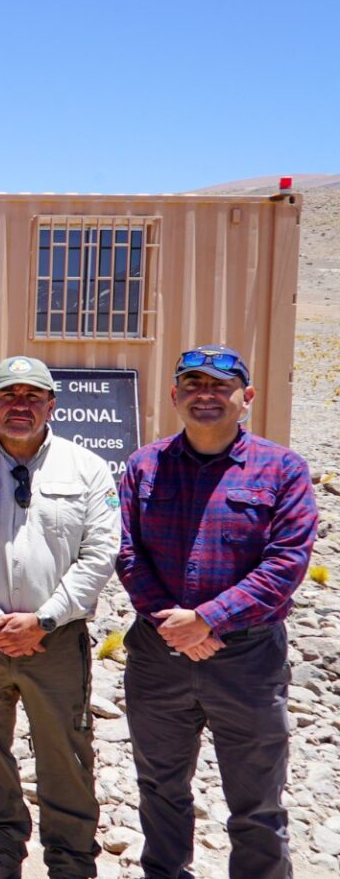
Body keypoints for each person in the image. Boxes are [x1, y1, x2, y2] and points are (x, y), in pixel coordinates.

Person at [117, 345, 317, 879]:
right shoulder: (144, 467)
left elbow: (287, 564)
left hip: (247, 659)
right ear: (175, 395)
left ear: (245, 398)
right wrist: (173, 623)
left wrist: (208, 619)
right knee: (160, 788)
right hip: (159, 655)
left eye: (220, 387)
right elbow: (127, 553)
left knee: (257, 802)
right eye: (193, 385)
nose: (205, 395)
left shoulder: (283, 469)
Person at [0, 357, 119, 879]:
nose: (20, 406)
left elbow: (100, 552)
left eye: (32, 396)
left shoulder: (87, 468)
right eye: (8, 396)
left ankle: (70, 862)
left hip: (56, 640)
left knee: (66, 750)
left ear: (52, 405)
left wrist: (45, 618)